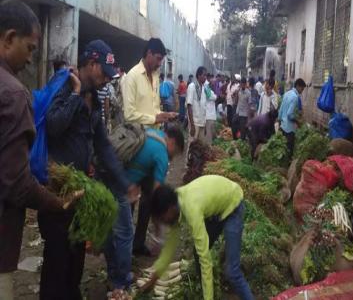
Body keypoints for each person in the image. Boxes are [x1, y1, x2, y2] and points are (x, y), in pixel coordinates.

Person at [39, 40, 140, 300]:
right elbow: (53, 125)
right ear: (91, 64)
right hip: (57, 192)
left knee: (75, 262)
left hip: (80, 194)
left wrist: (123, 180)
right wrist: (74, 95)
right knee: (57, 263)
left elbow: (103, 146)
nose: (106, 80)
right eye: (103, 73)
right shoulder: (64, 86)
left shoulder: (94, 99)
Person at [0, 0, 80, 300]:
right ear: (9, 39)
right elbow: (17, 185)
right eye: (31, 48)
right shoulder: (13, 94)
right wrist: (59, 202)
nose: (32, 59)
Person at [140, 175, 254, 300]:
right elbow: (169, 249)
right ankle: (207, 294)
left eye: (162, 218)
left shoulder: (191, 209)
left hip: (233, 204)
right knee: (197, 253)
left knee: (232, 271)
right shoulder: (175, 202)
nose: (163, 222)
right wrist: (153, 280)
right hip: (215, 210)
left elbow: (205, 259)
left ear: (170, 209)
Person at [109, 125, 184, 284]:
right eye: (176, 152)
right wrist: (159, 234)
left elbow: (151, 196)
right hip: (122, 184)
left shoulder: (153, 133)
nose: (173, 157)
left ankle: (135, 246)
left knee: (139, 205)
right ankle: (120, 276)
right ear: (173, 142)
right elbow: (158, 201)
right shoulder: (162, 155)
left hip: (117, 173)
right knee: (125, 229)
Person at [122, 38, 177, 128]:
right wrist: (155, 119)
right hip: (139, 137)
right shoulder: (132, 76)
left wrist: (165, 115)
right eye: (158, 59)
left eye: (161, 60)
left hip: (155, 133)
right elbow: (129, 115)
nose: (159, 64)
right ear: (149, 53)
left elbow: (154, 110)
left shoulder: (155, 77)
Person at [278, 78, 306, 154]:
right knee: (288, 151)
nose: (301, 91)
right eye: (302, 89)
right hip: (289, 129)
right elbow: (290, 115)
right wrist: (298, 122)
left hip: (282, 126)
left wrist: (279, 122)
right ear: (298, 86)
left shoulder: (287, 93)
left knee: (282, 149)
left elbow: (280, 110)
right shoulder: (295, 97)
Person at [186, 66, 207, 142]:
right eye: (204, 75)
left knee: (200, 148)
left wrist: (205, 125)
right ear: (198, 75)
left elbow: (204, 107)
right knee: (192, 146)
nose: (205, 77)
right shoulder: (192, 86)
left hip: (202, 123)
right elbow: (189, 106)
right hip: (194, 123)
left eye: (206, 75)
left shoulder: (204, 88)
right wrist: (192, 125)